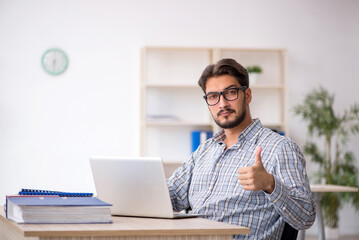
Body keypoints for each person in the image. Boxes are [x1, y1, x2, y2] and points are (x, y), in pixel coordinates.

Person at [167, 58, 316, 239]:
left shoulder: (280, 148)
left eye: (230, 92)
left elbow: (306, 217)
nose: (222, 104)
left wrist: (271, 184)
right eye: (213, 97)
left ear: (248, 95)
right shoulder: (204, 151)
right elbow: (171, 196)